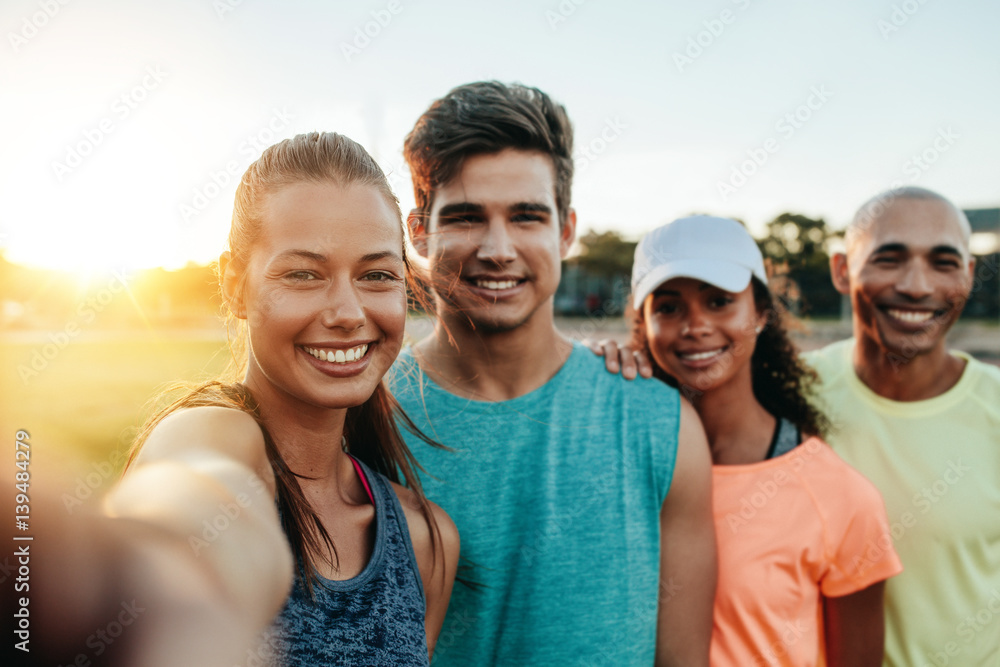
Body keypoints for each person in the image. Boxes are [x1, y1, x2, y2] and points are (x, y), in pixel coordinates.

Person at [27, 132, 460, 666]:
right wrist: (139, 566)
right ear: (235, 285)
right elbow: (197, 490)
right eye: (304, 273)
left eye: (376, 275)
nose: (348, 312)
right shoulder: (214, 433)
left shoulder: (426, 538)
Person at [389, 81, 717, 666]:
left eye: (526, 217)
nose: (497, 249)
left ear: (565, 230)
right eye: (466, 216)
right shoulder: (363, 420)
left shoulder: (660, 423)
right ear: (419, 231)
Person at [592, 215, 903, 666]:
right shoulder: (609, 460)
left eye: (719, 301)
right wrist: (594, 383)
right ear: (642, 323)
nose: (695, 326)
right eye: (668, 307)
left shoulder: (839, 496)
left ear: (759, 313)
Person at [804, 186, 1000, 666]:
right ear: (841, 270)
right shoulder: (786, 395)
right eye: (889, 259)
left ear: (968, 276)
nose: (917, 286)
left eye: (943, 262)